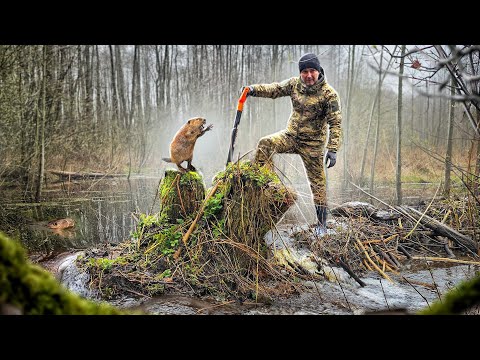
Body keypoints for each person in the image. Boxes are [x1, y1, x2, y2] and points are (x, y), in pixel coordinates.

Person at [242, 53, 342, 236]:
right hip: (290, 137)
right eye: (305, 72)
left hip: (313, 145)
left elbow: (335, 123)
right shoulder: (294, 84)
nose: (309, 75)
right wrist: (253, 89)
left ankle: (322, 225)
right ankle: (261, 186)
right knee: (265, 144)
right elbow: (275, 89)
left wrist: (333, 149)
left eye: (312, 71)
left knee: (318, 185)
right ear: (300, 73)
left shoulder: (329, 94)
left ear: (319, 71)